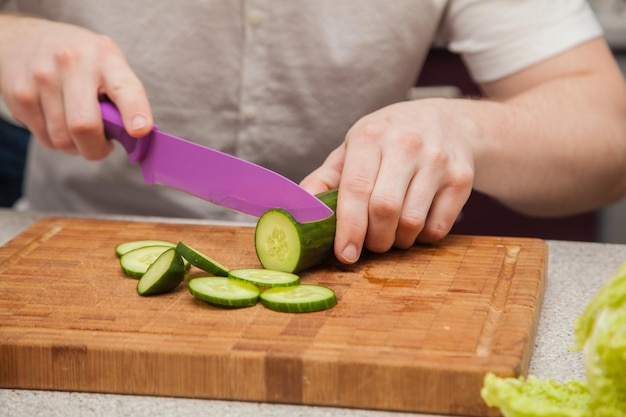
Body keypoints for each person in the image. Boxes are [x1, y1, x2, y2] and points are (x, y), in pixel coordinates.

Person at [0, 1, 625, 265]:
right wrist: (11, 37)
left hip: (350, 270)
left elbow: (608, 129)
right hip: (62, 247)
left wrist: (464, 125)